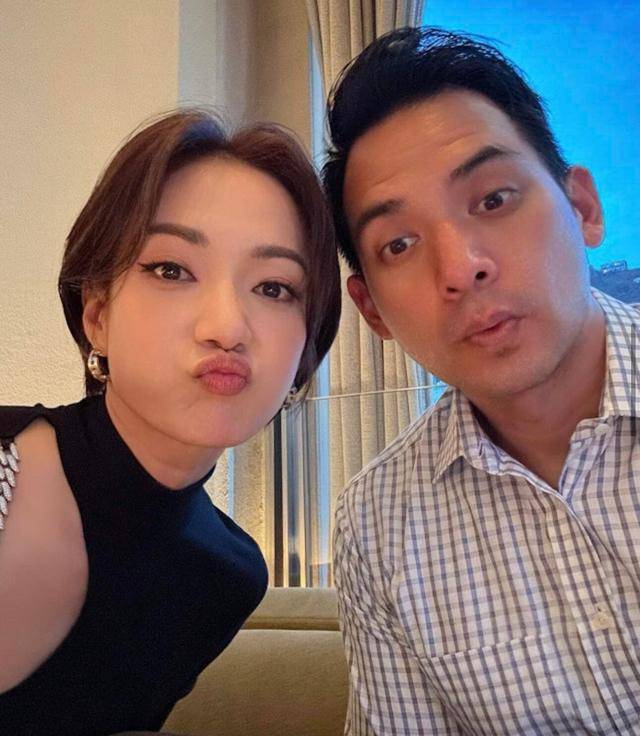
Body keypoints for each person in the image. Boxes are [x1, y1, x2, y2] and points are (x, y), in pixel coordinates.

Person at [324, 27, 640, 734]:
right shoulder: (376, 524)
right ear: (372, 311)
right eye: (399, 243)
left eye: (493, 199)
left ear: (583, 209)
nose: (461, 267)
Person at [0, 109, 340, 735]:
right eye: (171, 270)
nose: (228, 328)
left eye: (274, 288)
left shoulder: (225, 579)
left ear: (303, 356)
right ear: (97, 316)